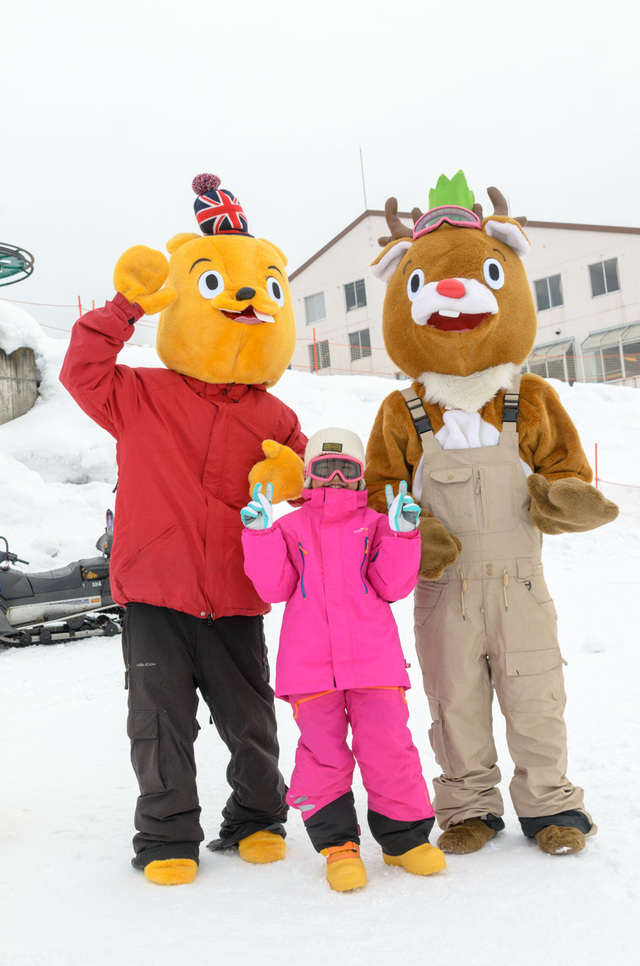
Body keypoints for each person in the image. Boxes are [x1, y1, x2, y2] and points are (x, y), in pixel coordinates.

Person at [240, 427, 446, 891]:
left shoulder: (377, 524)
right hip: (311, 668)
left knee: (389, 748)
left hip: (374, 664)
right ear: (308, 477)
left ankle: (404, 842)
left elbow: (393, 587)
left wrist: (402, 533)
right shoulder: (289, 528)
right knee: (323, 755)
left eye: (346, 469)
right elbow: (274, 589)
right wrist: (259, 536)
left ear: (360, 477)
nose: (335, 477)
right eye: (324, 469)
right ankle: (338, 846)